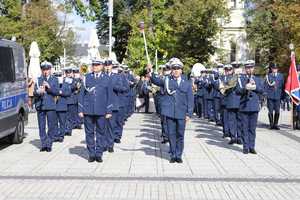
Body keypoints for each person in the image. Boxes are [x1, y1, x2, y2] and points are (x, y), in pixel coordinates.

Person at [150, 58, 194, 163]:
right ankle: (173, 154)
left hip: (181, 113)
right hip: (169, 112)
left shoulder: (187, 83)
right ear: (171, 70)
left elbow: (190, 99)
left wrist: (189, 114)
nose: (176, 70)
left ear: (181, 70)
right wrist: (150, 72)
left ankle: (179, 155)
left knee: (180, 134)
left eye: (178, 68)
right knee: (171, 134)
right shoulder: (167, 80)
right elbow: (155, 80)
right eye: (174, 68)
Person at [78, 59, 113, 163]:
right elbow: (81, 94)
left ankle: (99, 154)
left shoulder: (106, 78)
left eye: (97, 65)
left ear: (101, 66)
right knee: (89, 133)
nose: (95, 67)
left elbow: (110, 96)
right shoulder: (87, 77)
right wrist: (80, 109)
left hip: (102, 110)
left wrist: (109, 111)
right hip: (88, 110)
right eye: (94, 65)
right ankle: (91, 154)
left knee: (101, 133)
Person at [237, 60, 263, 154]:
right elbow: (237, 91)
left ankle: (252, 146)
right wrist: (245, 88)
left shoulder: (258, 79)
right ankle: (245, 146)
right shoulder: (241, 79)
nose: (249, 69)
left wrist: (255, 87)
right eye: (247, 68)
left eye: (251, 68)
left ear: (253, 68)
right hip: (244, 106)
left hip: (254, 107)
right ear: (245, 69)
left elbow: (262, 90)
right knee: (244, 128)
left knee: (252, 128)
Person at [34, 61, 59, 152]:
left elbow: (56, 92)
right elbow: (33, 93)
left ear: (50, 70)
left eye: (47, 70)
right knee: (41, 126)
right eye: (44, 70)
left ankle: (49, 143)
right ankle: (43, 143)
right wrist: (38, 92)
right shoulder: (38, 79)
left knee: (51, 125)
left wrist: (49, 88)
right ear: (42, 70)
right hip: (40, 105)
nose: (45, 71)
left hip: (50, 105)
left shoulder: (55, 79)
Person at [55, 67, 72, 142]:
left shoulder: (66, 83)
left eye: (60, 75)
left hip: (62, 105)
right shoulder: (53, 83)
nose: (58, 77)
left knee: (62, 122)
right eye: (57, 76)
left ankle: (61, 135)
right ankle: (55, 135)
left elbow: (68, 93)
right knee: (54, 122)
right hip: (54, 106)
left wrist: (61, 93)